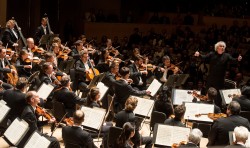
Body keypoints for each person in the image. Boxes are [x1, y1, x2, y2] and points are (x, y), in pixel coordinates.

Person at [194, 41, 242, 108]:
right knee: (208, 94)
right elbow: (204, 57)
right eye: (220, 46)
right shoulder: (212, 54)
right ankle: (206, 107)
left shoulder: (226, 56)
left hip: (220, 80)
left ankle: (217, 109)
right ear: (217, 47)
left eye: (223, 46)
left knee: (218, 97)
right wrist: (199, 55)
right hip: (211, 79)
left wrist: (238, 59)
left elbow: (233, 60)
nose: (222, 47)